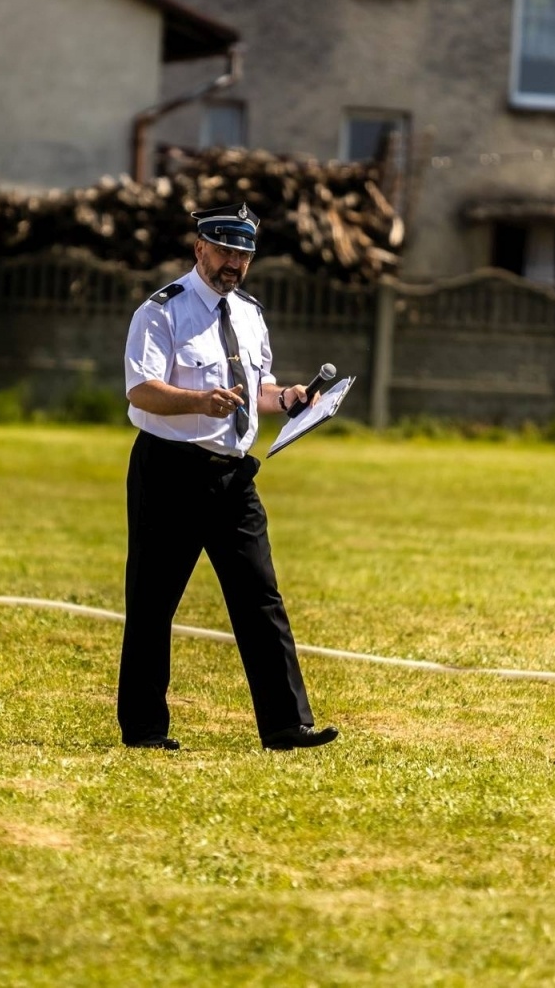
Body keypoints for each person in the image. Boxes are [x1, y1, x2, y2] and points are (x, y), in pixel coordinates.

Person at [119, 203, 338, 752]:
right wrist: (199, 400)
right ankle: (145, 730)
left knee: (260, 597)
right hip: (169, 469)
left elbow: (255, 389)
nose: (234, 264)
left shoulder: (250, 314)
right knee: (153, 602)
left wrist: (287, 398)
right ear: (200, 249)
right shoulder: (161, 311)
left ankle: (287, 725)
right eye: (224, 251)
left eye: (243, 254)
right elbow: (141, 390)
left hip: (233, 477)